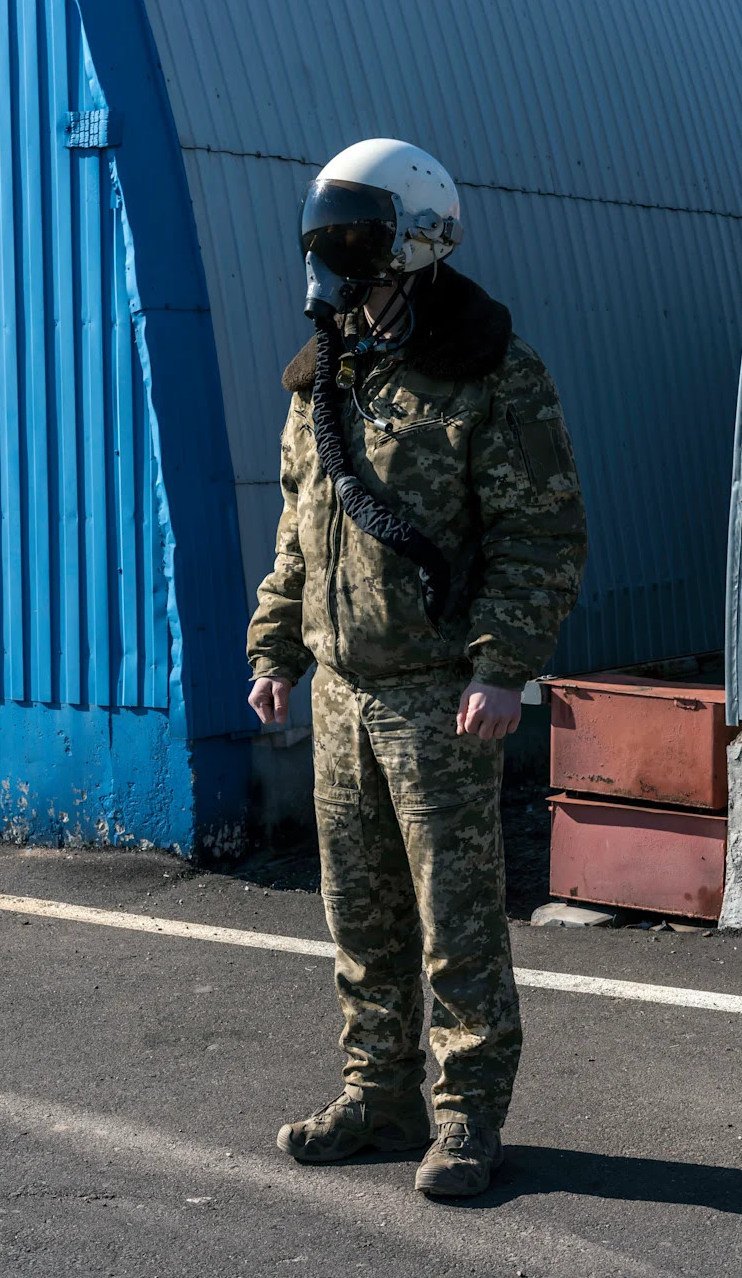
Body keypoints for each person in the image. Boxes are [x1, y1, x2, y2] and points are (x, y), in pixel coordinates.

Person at [247, 138, 586, 1198]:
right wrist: (277, 645)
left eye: (358, 235)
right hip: (345, 694)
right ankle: (377, 1096)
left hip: (442, 696)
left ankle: (468, 1116)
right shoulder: (326, 374)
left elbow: (542, 536)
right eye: (328, 233)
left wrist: (500, 665)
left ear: (416, 239)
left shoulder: (492, 373)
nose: (337, 258)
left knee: (458, 917)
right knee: (360, 912)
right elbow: (300, 530)